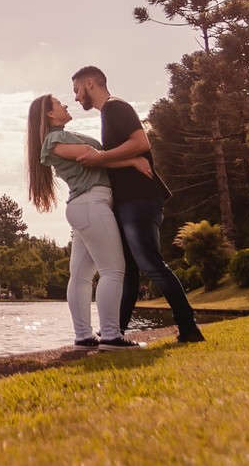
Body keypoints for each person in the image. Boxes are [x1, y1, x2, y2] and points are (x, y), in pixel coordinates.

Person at [71, 65, 205, 344]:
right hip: (127, 202)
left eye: (77, 90)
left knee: (150, 263)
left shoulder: (115, 107)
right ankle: (114, 332)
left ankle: (189, 327)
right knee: (129, 271)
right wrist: (113, 160)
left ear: (90, 83)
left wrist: (100, 158)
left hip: (140, 199)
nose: (75, 98)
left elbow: (141, 142)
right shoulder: (108, 113)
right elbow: (124, 156)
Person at [27, 94, 147, 351]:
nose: (66, 105)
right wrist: (133, 159)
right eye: (59, 103)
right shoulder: (54, 138)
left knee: (81, 276)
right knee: (113, 270)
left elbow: (96, 156)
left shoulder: (63, 135)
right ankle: (112, 337)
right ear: (49, 113)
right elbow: (91, 156)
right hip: (91, 203)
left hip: (85, 206)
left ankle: (84, 337)